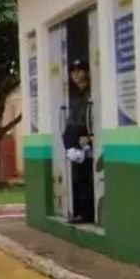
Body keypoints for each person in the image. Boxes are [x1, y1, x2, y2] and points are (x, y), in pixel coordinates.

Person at [63, 59, 94, 224]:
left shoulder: (91, 94)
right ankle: (81, 212)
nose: (76, 74)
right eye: (73, 71)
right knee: (79, 179)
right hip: (75, 145)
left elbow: (93, 119)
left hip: (87, 144)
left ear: (87, 72)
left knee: (86, 179)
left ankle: (87, 213)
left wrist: (90, 137)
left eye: (80, 70)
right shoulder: (77, 95)